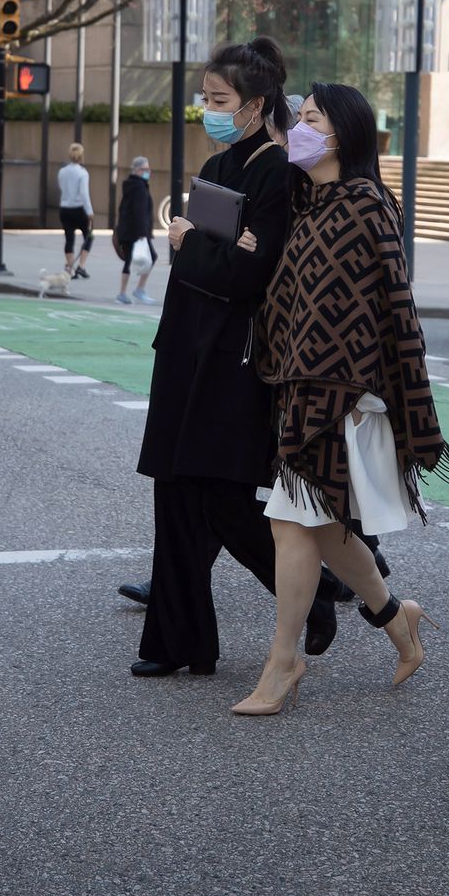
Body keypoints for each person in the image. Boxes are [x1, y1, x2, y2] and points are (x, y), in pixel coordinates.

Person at [235, 83, 449, 715]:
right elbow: (293, 301)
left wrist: (384, 387)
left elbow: (395, 305)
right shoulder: (312, 202)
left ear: (341, 134)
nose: (296, 129)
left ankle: (284, 661)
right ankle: (397, 618)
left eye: (309, 119)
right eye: (298, 119)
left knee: (292, 522)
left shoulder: (364, 203)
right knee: (326, 526)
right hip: (303, 387)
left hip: (342, 395)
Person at [129, 37, 336, 676]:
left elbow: (248, 276)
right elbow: (221, 263)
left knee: (220, 498)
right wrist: (209, 254)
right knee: (175, 496)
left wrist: (195, 248)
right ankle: (177, 643)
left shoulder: (276, 172)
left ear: (254, 104)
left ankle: (317, 592)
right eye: (205, 97)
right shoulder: (219, 168)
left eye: (219, 99)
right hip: (185, 348)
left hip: (232, 360)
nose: (208, 108)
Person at [115, 155, 156, 305]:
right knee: (151, 256)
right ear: (137, 170)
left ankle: (125, 292)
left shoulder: (131, 185)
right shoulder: (139, 187)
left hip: (128, 230)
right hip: (136, 232)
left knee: (129, 261)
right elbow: (139, 211)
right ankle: (135, 290)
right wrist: (142, 234)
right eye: (145, 169)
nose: (148, 172)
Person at [59, 142, 94, 279]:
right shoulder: (82, 173)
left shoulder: (62, 171)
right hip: (79, 209)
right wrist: (90, 212)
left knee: (69, 239)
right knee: (89, 236)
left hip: (65, 208)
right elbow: (84, 194)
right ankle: (81, 265)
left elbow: (62, 188)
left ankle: (70, 268)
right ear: (81, 156)